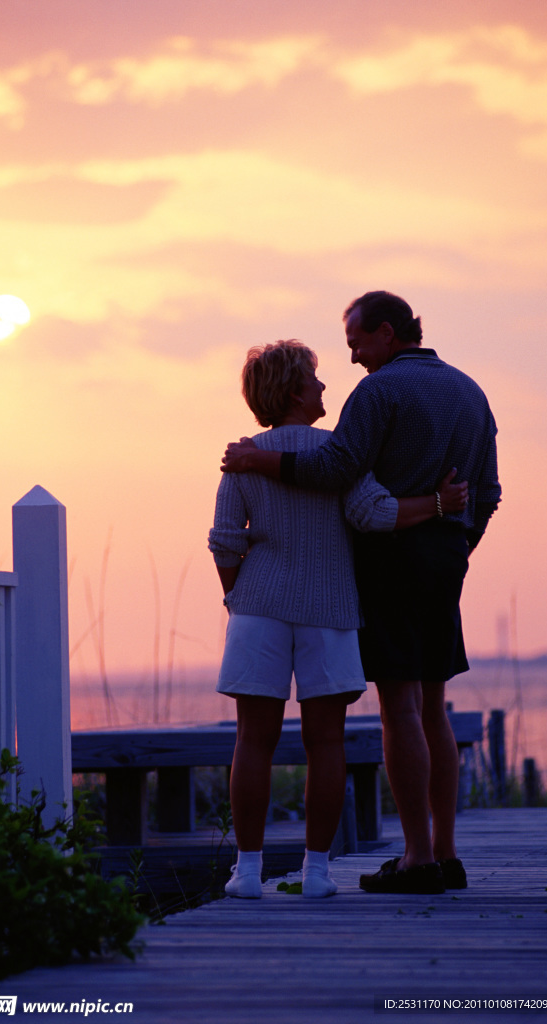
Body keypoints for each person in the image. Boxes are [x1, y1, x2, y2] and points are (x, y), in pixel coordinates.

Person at [221, 292, 501, 895]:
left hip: (389, 564)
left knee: (398, 710)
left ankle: (417, 860)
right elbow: (490, 489)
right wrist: (457, 541)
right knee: (434, 708)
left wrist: (255, 460)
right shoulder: (471, 391)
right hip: (442, 560)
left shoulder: (378, 392)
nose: (350, 362)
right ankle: (440, 855)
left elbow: (334, 471)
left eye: (355, 345)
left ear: (384, 332)